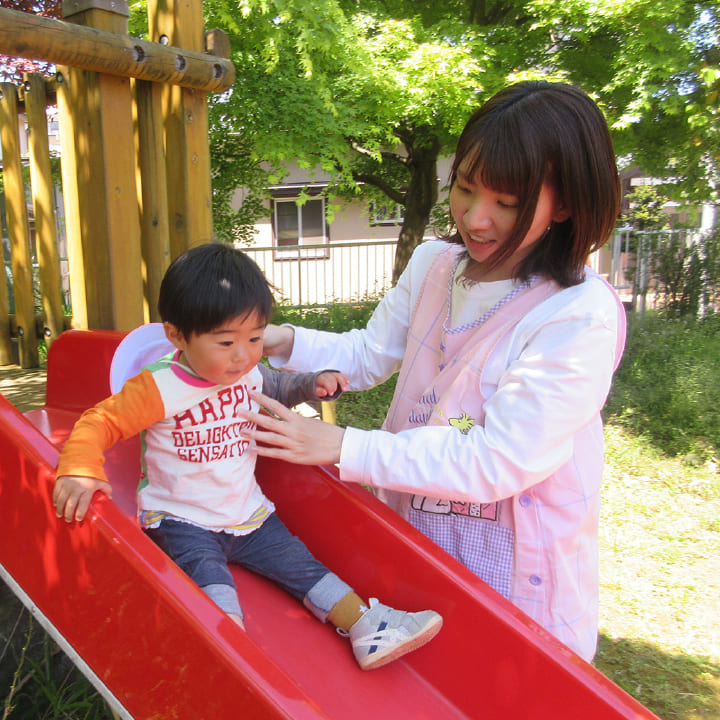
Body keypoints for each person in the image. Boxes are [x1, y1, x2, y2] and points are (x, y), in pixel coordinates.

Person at [241, 81, 626, 663]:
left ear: (566, 204)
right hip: (420, 529)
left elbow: (498, 459)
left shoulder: (577, 313)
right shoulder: (436, 264)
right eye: (465, 190)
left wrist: (343, 445)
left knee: (498, 684)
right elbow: (369, 351)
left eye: (508, 202)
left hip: (514, 564)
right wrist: (273, 339)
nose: (475, 218)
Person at [52, 243, 442, 671]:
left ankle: (367, 627)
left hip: (249, 514)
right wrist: (79, 467)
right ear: (178, 335)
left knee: (304, 566)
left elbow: (273, 387)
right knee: (214, 592)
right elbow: (100, 421)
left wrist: (312, 383)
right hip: (183, 520)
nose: (243, 355)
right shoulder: (159, 387)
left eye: (255, 338)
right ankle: (228, 660)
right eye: (225, 342)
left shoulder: (246, 370)